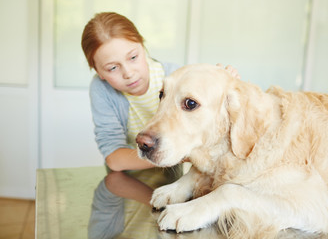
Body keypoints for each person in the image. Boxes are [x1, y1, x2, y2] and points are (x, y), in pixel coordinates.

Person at [81, 12, 240, 239]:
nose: (128, 72)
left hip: (174, 176)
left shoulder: (175, 76)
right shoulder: (101, 90)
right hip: (127, 181)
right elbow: (114, 159)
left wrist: (222, 82)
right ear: (99, 73)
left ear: (143, 47)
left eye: (133, 57)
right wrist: (169, 154)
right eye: (112, 68)